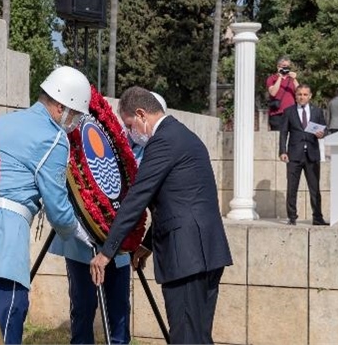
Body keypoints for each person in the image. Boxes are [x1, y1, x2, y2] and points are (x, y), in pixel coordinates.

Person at [0, 66, 94, 344]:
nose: (74, 122)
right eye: (75, 114)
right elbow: (58, 209)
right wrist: (84, 234)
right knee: (2, 335)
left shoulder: (4, 121)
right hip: (2, 252)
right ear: (61, 107)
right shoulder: (54, 137)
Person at [89, 86, 233, 344]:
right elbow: (178, 201)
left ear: (142, 114)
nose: (131, 132)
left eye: (130, 124)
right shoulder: (183, 135)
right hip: (206, 251)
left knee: (186, 338)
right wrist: (146, 244)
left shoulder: (163, 141)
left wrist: (106, 252)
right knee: (198, 336)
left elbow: (137, 198)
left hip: (187, 256)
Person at [46, 92, 166, 344]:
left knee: (119, 309)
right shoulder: (111, 139)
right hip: (83, 242)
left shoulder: (154, 152)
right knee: (83, 307)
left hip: (120, 246)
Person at [279, 84, 328, 226]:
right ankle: (292, 217)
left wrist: (322, 134)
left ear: (310, 96)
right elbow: (283, 133)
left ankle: (317, 217)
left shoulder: (317, 111)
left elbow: (325, 129)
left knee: (314, 188)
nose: (302, 97)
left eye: (305, 94)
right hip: (294, 155)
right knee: (292, 187)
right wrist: (283, 151)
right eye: (299, 94)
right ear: (296, 95)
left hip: (312, 154)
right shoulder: (289, 111)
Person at [266, 55, 299, 131]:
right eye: (284, 66)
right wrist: (280, 77)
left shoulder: (291, 79)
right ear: (278, 66)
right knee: (279, 138)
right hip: (277, 114)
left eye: (288, 66)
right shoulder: (272, 78)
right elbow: (273, 93)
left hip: (291, 114)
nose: (286, 68)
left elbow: (299, 92)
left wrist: (295, 79)